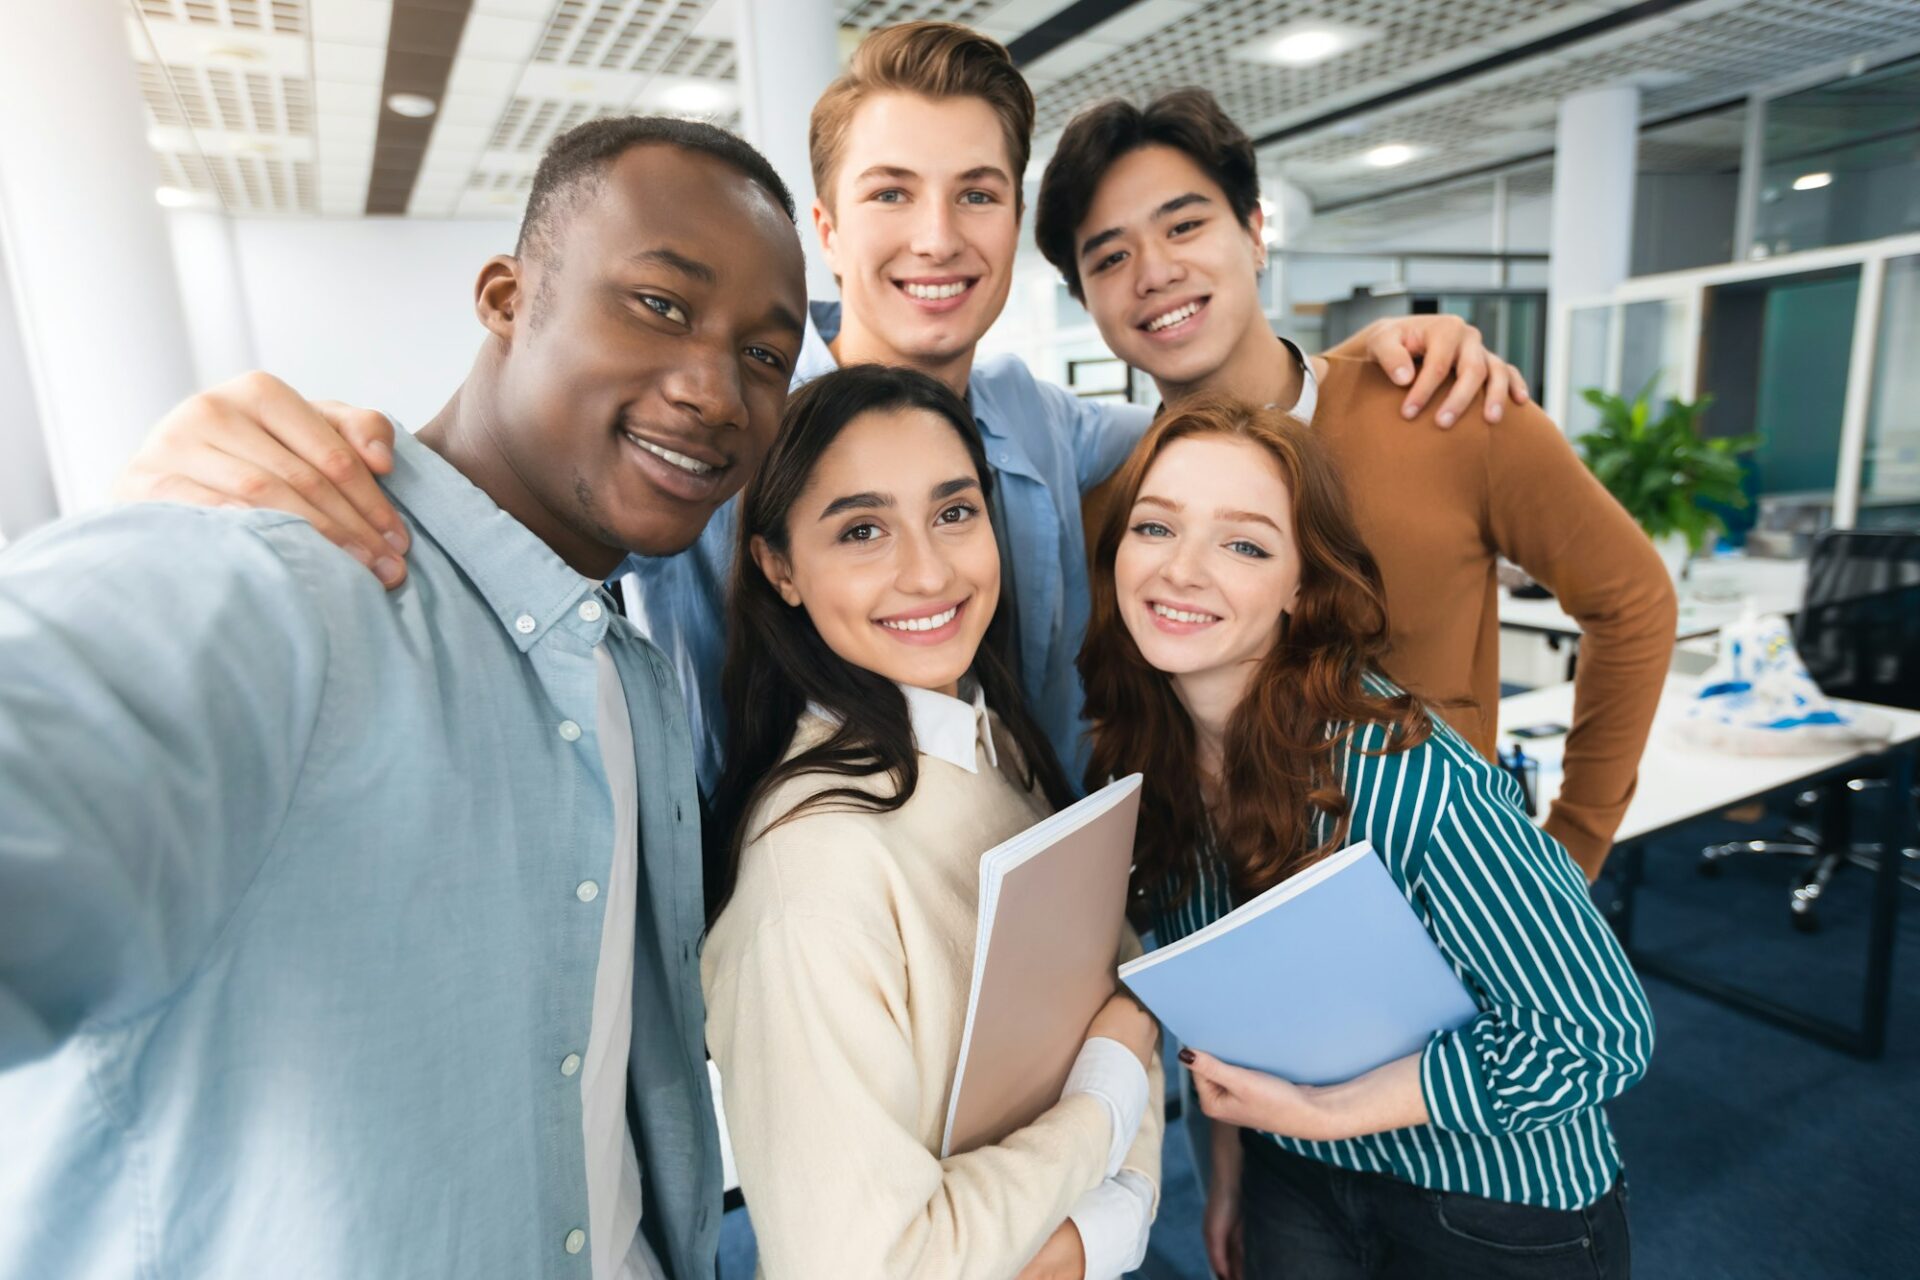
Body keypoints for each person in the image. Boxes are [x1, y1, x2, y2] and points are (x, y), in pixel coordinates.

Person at [113, 22, 1528, 794]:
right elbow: (524, 480)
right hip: (809, 899)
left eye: (978, 193)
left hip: (1025, 873)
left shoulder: (1047, 422)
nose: (940, 236)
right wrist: (274, 463)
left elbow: (1224, 440)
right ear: (830, 230)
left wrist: (1364, 357)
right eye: (894, 195)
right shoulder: (724, 438)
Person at [0, 118, 808, 1280]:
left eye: (766, 356)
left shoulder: (627, 668)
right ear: (505, 297)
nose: (716, 391)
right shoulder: (272, 581)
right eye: (661, 306)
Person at [1035, 88, 1677, 879]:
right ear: (1086, 300)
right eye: (1110, 257)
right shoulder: (1119, 504)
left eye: (1185, 225)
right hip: (1216, 914)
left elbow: (1634, 603)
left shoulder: (1445, 406)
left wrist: (1573, 844)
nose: (1156, 271)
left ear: (1256, 232)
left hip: (1448, 902)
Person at [1078, 399, 1653, 1280]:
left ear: (1301, 588)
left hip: (1491, 1198)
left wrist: (1332, 1110)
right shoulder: (1144, 763)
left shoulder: (1401, 774)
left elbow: (1598, 1033)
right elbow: (1221, 1004)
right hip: (1295, 1175)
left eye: (1244, 544)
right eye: (1156, 527)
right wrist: (1226, 1176)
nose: (1181, 570)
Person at [700, 363, 1163, 1279]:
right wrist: (1108, 1103)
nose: (929, 571)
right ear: (778, 567)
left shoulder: (989, 738)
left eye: (954, 512)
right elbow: (871, 1266)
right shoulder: (814, 879)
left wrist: (1111, 1216)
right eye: (863, 530)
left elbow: (1110, 998)